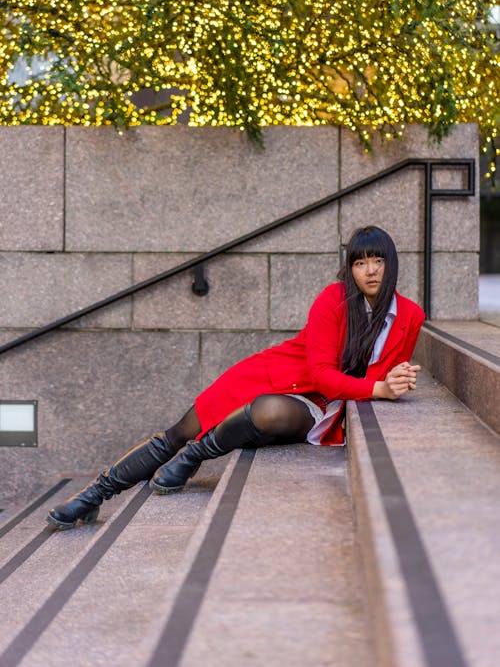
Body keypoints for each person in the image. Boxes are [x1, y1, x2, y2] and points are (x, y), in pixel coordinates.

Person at [47, 225, 425, 530]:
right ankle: (95, 494)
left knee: (267, 412)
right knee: (179, 430)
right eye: (360, 263)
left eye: (378, 261)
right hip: (280, 374)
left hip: (325, 407)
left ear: (392, 264)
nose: (371, 270)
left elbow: (380, 373)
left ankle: (199, 453)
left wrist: (395, 380)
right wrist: (379, 387)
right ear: (350, 269)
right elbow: (322, 374)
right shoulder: (332, 299)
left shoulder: (410, 316)